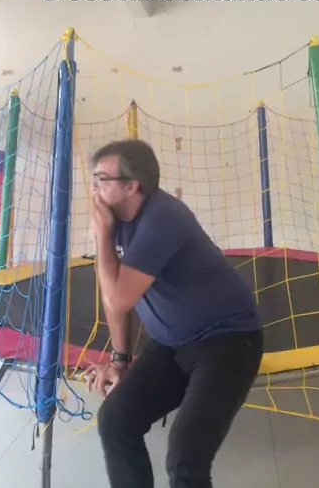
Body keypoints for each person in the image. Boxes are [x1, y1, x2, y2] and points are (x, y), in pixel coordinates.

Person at [84, 138, 263, 488]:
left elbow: (118, 299)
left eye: (102, 179)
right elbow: (112, 292)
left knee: (185, 456)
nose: (94, 190)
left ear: (132, 186)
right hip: (171, 344)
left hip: (227, 340)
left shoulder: (163, 218)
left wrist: (102, 235)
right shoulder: (115, 218)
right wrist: (119, 360)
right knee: (115, 421)